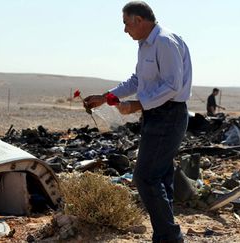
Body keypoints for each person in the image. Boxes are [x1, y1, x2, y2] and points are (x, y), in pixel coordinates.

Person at [83, 1, 191, 242]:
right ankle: (165, 236)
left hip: (169, 115)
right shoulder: (145, 44)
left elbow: (173, 85)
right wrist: (106, 97)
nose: (125, 30)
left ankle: (170, 237)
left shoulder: (164, 41)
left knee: (144, 176)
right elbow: (137, 80)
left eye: (126, 23)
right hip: (156, 115)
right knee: (160, 176)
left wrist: (137, 104)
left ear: (139, 20)